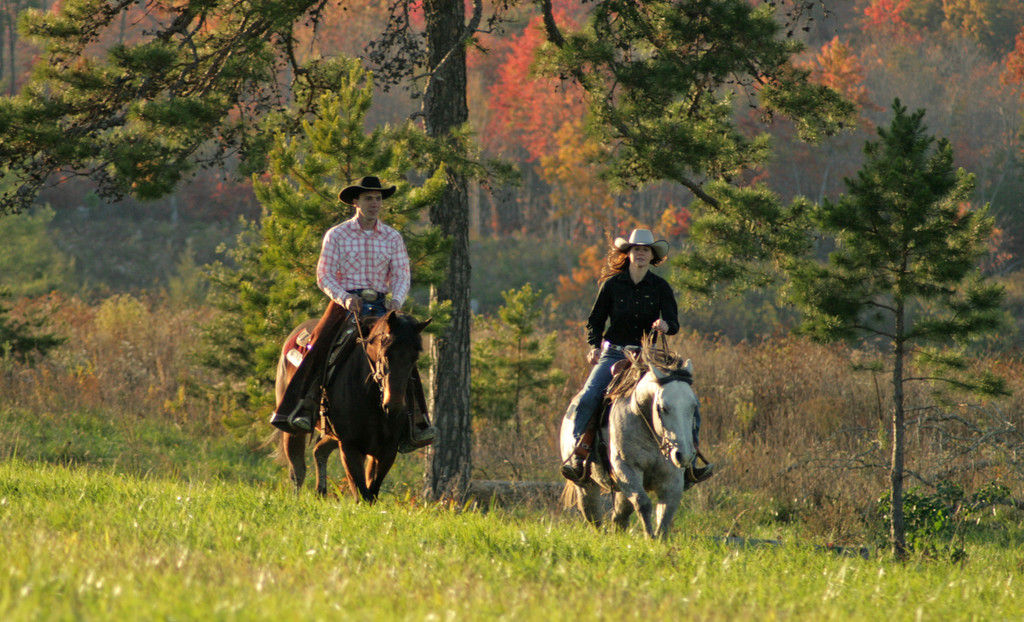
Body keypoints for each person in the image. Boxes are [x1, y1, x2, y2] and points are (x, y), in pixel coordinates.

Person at [270, 175, 437, 446]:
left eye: (378, 199)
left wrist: (397, 300)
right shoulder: (337, 234)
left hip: (383, 306)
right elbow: (324, 275)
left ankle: (417, 422)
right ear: (356, 202)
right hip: (345, 304)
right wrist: (345, 298)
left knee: (403, 351)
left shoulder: (392, 237)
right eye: (369, 198)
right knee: (319, 344)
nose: (375, 204)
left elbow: (402, 273)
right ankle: (301, 407)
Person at [560, 228, 712, 484]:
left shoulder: (661, 287)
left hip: (649, 357)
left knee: (687, 400)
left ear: (652, 256)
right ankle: (579, 454)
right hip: (614, 354)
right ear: (628, 253)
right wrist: (594, 346)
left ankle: (691, 462)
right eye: (636, 249)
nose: (640, 253)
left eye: (645, 250)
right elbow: (595, 321)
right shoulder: (611, 285)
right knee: (588, 396)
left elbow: (674, 323)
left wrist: (666, 326)